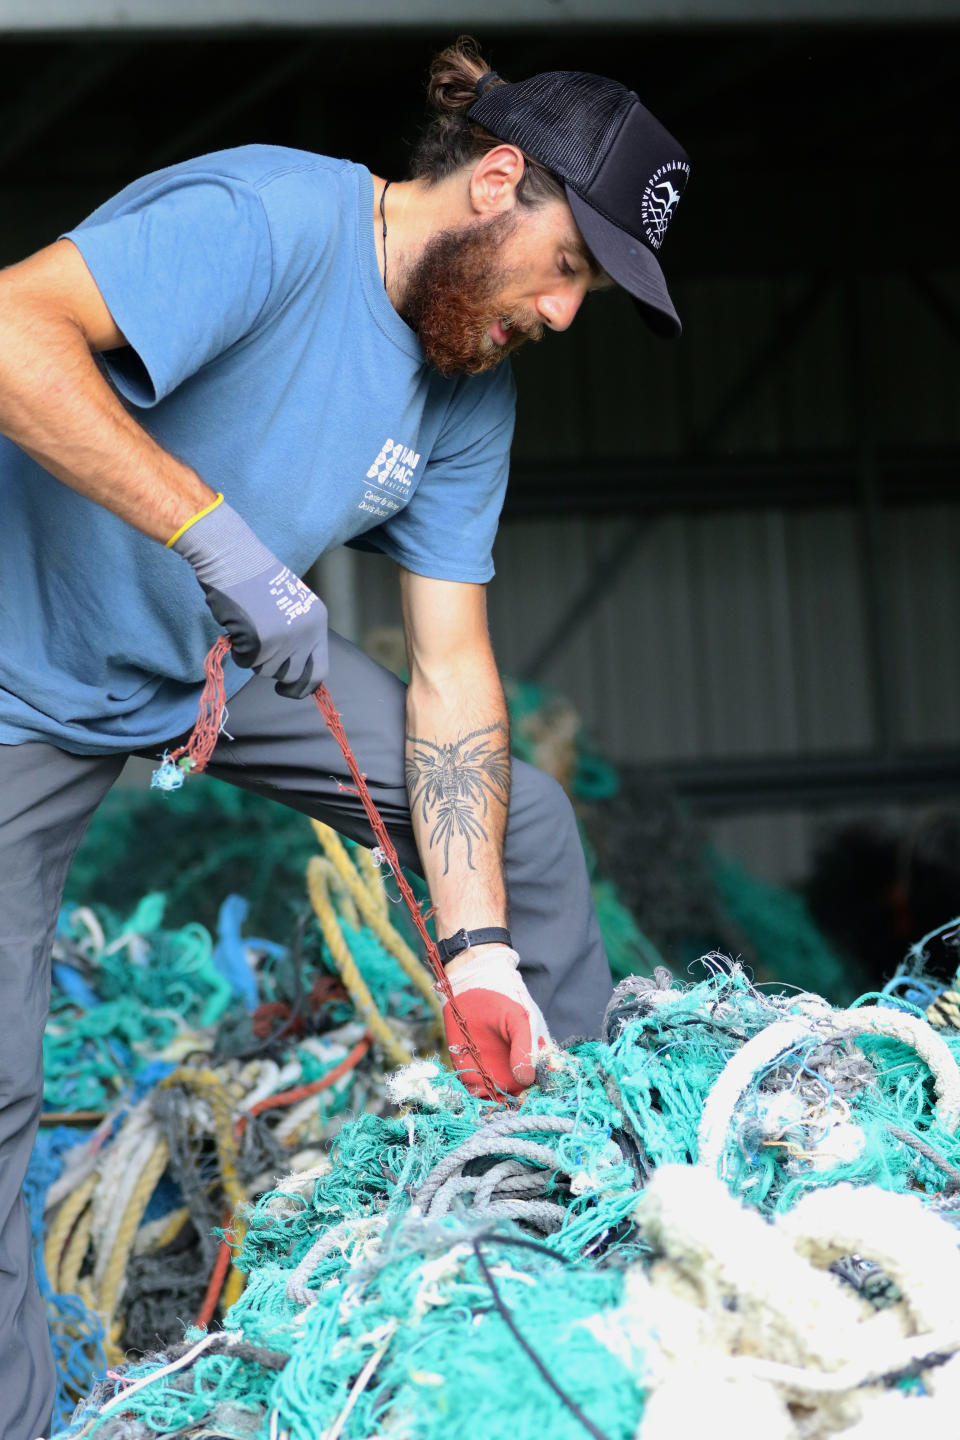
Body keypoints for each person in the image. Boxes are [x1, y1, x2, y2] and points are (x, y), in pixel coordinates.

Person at [0, 36, 689, 1439]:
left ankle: (562, 1221)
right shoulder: (267, 221)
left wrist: (479, 942)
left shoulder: (470, 384)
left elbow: (449, 672)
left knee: (526, 828)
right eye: (569, 269)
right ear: (499, 181)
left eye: (591, 299)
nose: (565, 315)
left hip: (214, 657)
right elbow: (11, 329)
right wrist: (213, 535)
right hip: (24, 668)